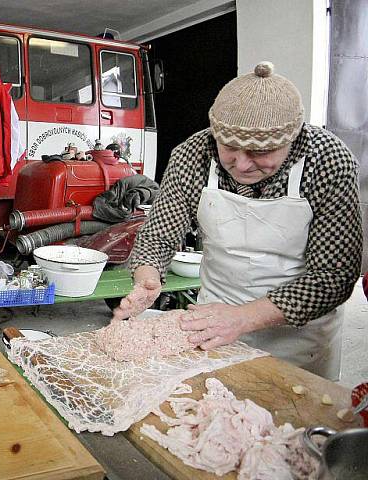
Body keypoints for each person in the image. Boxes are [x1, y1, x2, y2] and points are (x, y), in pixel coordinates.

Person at [113, 62, 361, 380]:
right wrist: (147, 276)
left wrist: (243, 318)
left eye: (261, 152)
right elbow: (158, 234)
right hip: (209, 324)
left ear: (293, 139)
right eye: (229, 147)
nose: (242, 165)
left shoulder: (329, 162)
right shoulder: (192, 155)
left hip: (300, 338)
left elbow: (333, 276)